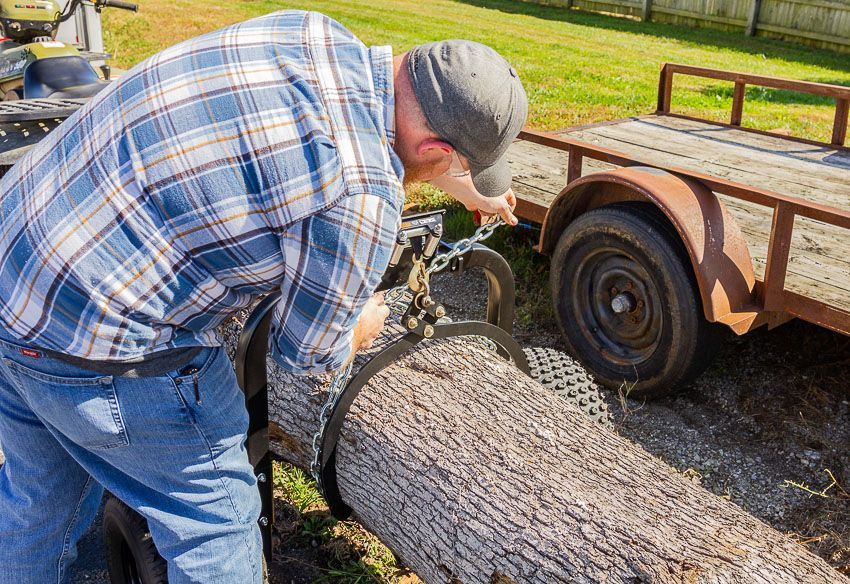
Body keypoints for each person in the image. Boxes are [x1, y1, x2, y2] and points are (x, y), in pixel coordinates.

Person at [0, 9, 527, 583]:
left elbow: (349, 140)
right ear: (437, 148)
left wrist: (445, 176)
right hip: (90, 337)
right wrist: (362, 324)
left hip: (18, 261)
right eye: (459, 163)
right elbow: (305, 356)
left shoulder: (311, 32)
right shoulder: (358, 198)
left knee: (40, 499)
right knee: (216, 521)